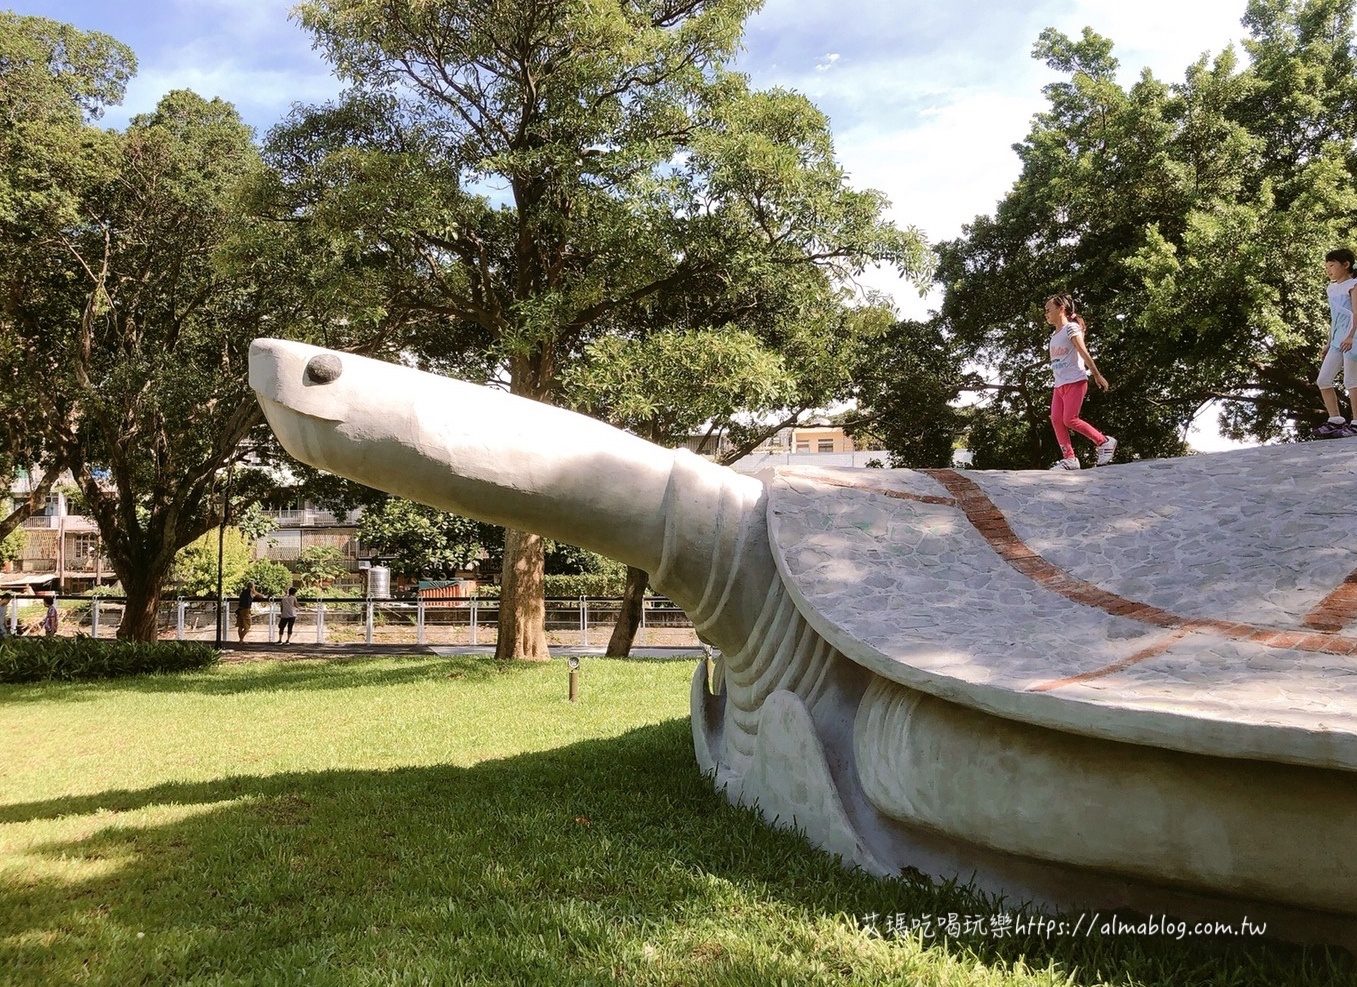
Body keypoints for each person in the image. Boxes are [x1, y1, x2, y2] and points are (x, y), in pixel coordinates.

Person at [1044, 293, 1117, 470]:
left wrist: (1096, 374)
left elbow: (1084, 353)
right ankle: (1069, 458)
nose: (1045, 313)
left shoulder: (1071, 329)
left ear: (1061, 309)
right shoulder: (1054, 335)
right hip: (1059, 385)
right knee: (1056, 419)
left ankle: (1104, 441)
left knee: (1069, 419)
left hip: (1075, 382)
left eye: (1048, 310)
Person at [1314, 248, 1357, 438]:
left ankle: (1356, 423)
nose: (1328, 270)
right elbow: (1334, 317)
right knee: (1323, 379)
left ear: (1345, 265)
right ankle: (1335, 420)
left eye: (1332, 265)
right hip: (1337, 339)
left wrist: (1350, 336)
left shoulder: (1353, 285)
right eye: (1326, 266)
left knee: (1351, 381)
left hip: (1353, 337)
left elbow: (1356, 313)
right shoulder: (1331, 288)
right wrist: (1328, 342)